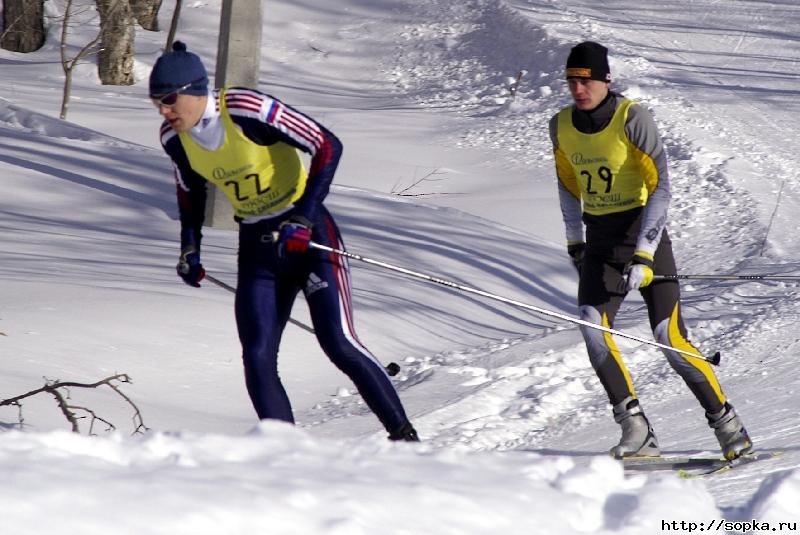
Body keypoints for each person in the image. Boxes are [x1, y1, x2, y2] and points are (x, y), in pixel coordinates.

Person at [149, 41, 418, 441]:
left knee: (338, 342)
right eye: (156, 102)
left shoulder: (245, 109)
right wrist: (190, 247)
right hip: (259, 246)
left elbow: (327, 144)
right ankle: (286, 457)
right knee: (257, 357)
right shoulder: (173, 137)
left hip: (308, 237)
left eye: (169, 100)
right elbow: (190, 192)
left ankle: (405, 441)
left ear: (195, 90)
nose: (164, 111)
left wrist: (304, 216)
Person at [548, 41, 751, 460]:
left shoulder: (631, 118)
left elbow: (661, 188)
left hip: (643, 234)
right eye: (571, 80)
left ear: (606, 80)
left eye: (585, 80)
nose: (578, 89)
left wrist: (644, 252)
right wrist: (574, 240)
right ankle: (635, 429)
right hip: (600, 242)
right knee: (592, 326)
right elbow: (568, 187)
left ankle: (728, 426)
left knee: (668, 336)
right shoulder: (561, 125)